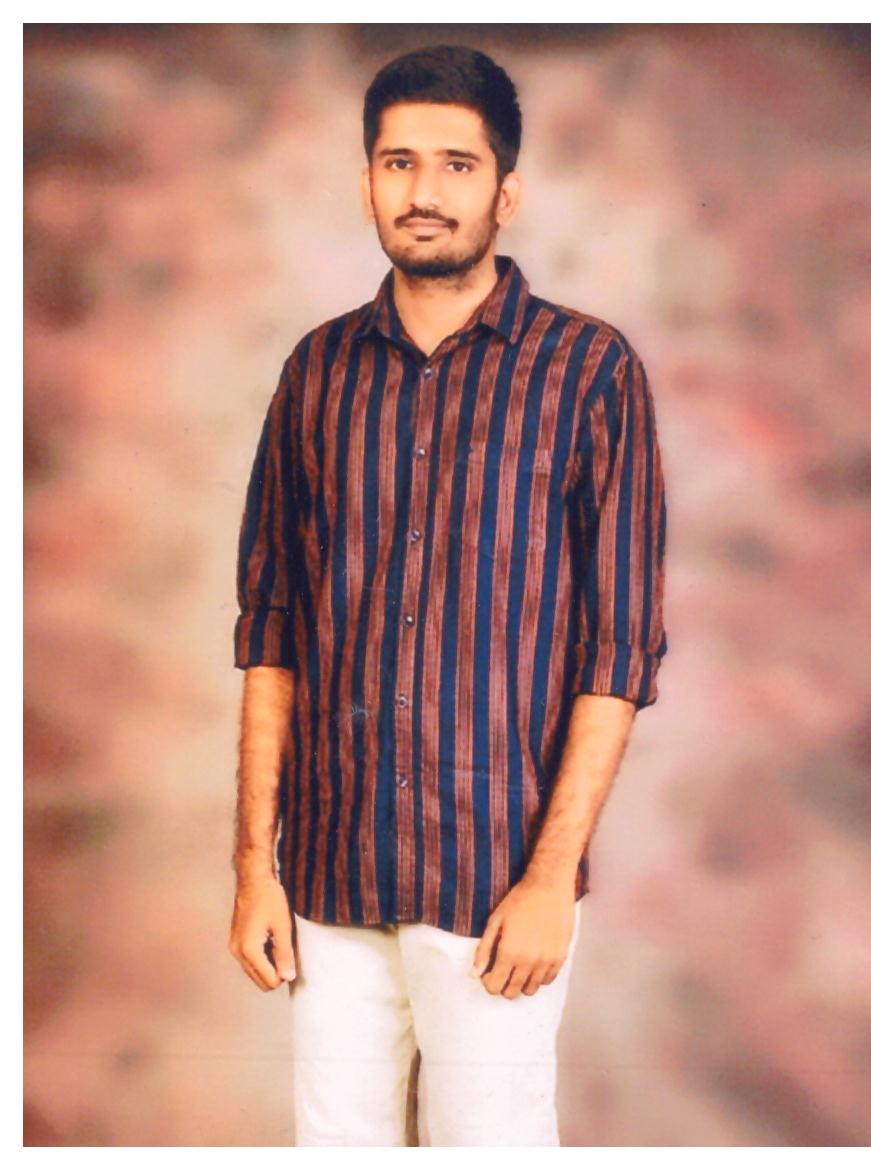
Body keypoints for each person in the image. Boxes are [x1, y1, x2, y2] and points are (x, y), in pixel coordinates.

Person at [228, 43, 668, 1147]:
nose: (423, 192)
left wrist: (551, 879)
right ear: (367, 181)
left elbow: (619, 651)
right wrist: (252, 870)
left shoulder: (589, 372)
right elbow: (271, 632)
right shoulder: (315, 374)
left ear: (506, 192)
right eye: (398, 163)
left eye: (456, 166)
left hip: (495, 882)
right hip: (328, 880)